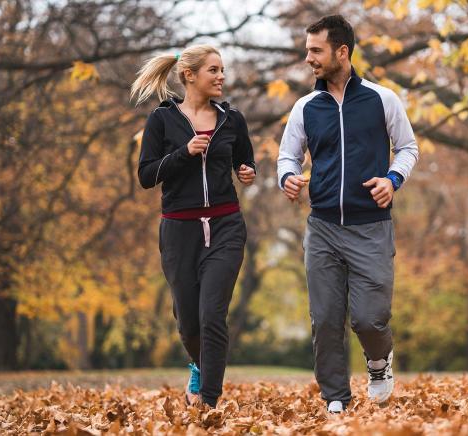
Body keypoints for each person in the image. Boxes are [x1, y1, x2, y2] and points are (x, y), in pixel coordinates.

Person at [277, 15, 419, 414]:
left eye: (316, 51)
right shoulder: (306, 107)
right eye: (307, 51)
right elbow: (288, 155)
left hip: (370, 228)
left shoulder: (382, 99)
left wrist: (393, 179)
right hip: (321, 227)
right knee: (324, 319)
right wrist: (287, 176)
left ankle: (378, 363)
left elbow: (408, 148)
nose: (309, 59)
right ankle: (335, 399)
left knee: (370, 320)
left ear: (342, 51)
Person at [131, 45, 256, 408]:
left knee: (212, 315)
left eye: (222, 70)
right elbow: (145, 175)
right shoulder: (162, 120)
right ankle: (200, 368)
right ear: (190, 76)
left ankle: (209, 402)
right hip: (179, 230)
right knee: (188, 322)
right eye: (213, 70)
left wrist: (247, 172)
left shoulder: (232, 119)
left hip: (226, 225)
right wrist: (183, 154)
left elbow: (244, 161)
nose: (221, 76)